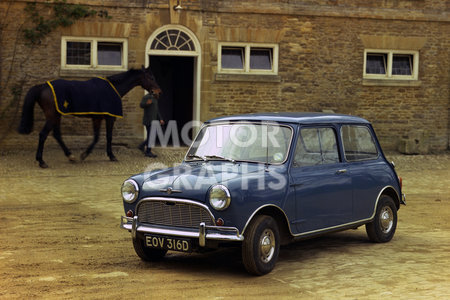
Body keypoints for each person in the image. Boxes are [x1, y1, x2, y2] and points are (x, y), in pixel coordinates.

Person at [138, 89, 164, 157]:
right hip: (148, 120)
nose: (159, 93)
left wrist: (160, 119)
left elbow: (156, 110)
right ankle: (148, 152)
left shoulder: (155, 98)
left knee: (151, 136)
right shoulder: (147, 97)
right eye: (158, 91)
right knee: (151, 136)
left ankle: (142, 146)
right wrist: (146, 103)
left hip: (154, 121)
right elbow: (141, 105)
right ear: (153, 90)